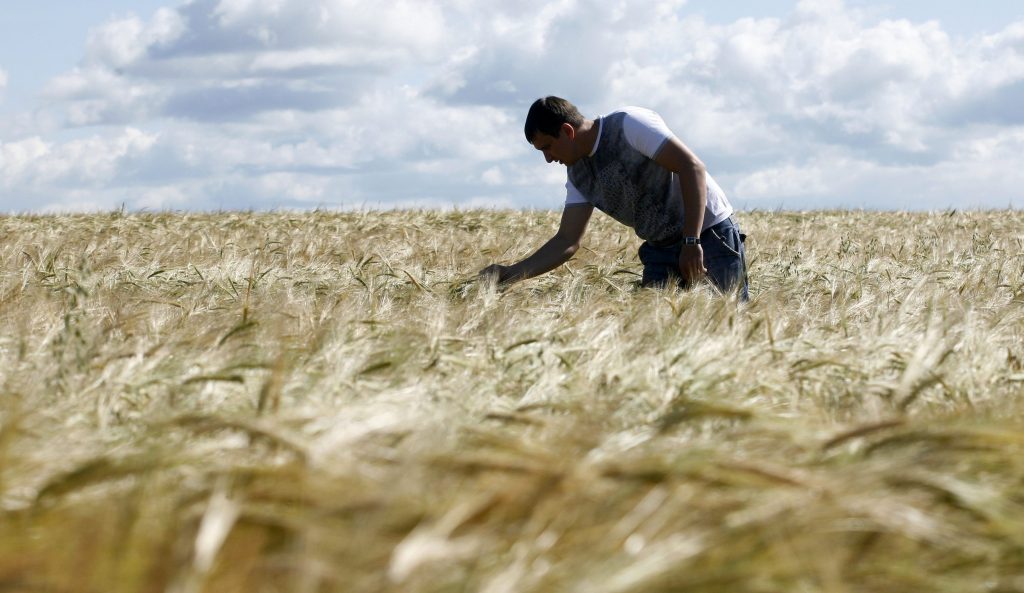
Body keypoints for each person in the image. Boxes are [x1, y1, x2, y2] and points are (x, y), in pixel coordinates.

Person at [479, 96, 749, 300]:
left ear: (568, 131)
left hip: (709, 235)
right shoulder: (578, 176)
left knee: (728, 326)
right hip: (660, 248)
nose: (548, 159)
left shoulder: (628, 124)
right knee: (654, 337)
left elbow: (692, 167)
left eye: (548, 147)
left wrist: (692, 241)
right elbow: (567, 241)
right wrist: (510, 274)